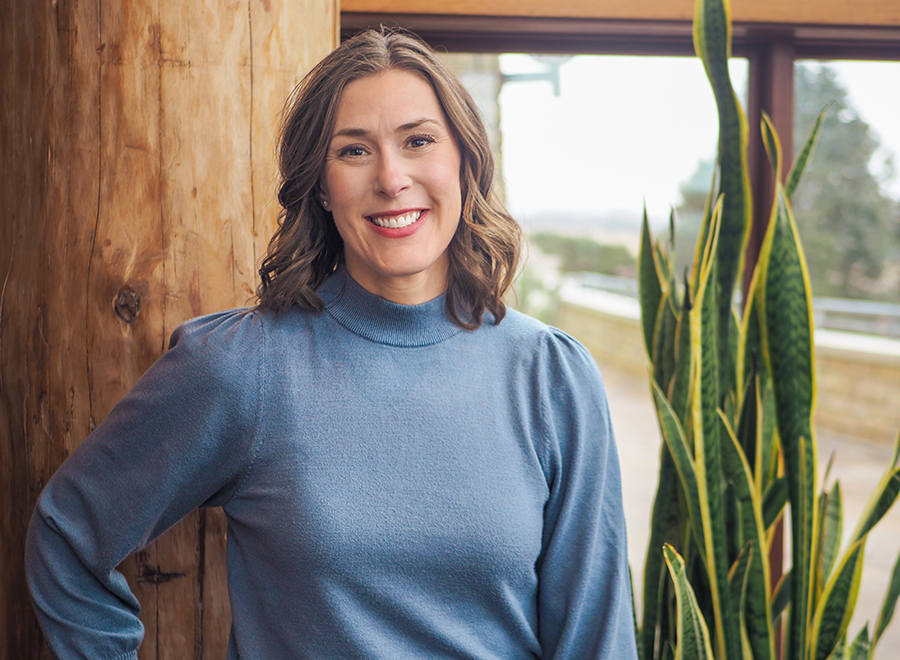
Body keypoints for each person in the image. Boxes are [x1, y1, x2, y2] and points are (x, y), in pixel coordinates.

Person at [26, 28, 638, 660]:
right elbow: (67, 533)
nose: (392, 178)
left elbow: (598, 638)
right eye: (354, 151)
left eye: (418, 141)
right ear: (321, 185)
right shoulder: (244, 367)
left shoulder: (551, 377)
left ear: (465, 160)